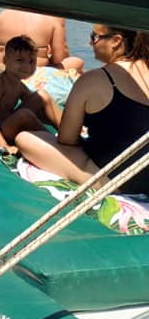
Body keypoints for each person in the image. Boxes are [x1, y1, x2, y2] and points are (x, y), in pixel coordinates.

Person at [16, 27, 149, 194]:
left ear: (116, 41)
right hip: (143, 175)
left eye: (94, 37)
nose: (90, 43)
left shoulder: (93, 79)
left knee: (26, 139)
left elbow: (67, 139)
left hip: (115, 179)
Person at [0, 36, 62, 155]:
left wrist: (49, 116)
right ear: (6, 61)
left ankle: (66, 131)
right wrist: (3, 145)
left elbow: (36, 103)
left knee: (42, 95)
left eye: (31, 61)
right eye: (20, 60)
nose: (27, 66)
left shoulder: (17, 83)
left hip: (7, 124)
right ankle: (53, 141)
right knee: (24, 114)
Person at [0, 9, 85, 72]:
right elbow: (58, 58)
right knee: (77, 61)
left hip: (4, 67)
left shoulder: (2, 15)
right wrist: (45, 56)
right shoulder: (52, 18)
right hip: (34, 70)